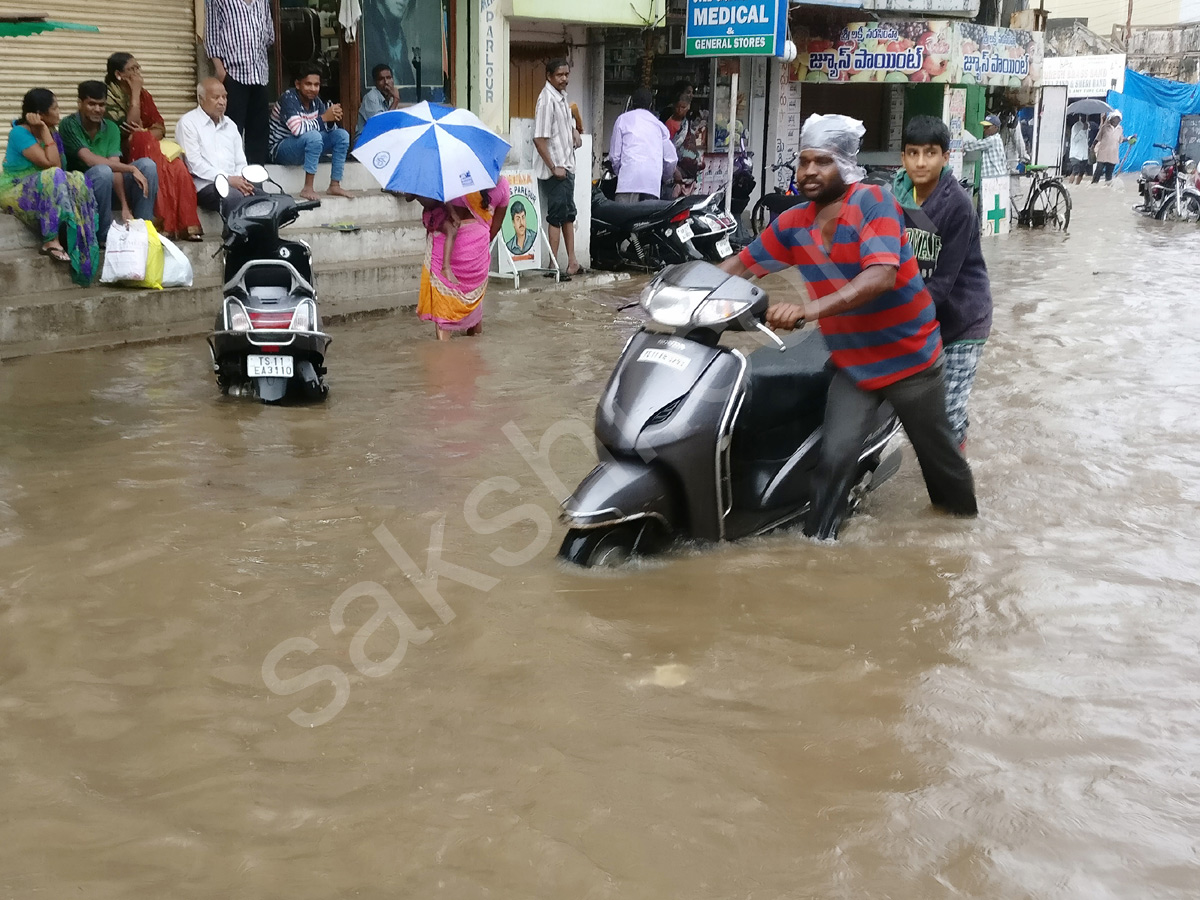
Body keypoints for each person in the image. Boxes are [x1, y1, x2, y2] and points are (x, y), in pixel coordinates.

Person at [719, 113, 977, 540]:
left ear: (845, 164)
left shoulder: (875, 203)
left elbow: (880, 277)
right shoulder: (792, 224)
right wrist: (691, 292)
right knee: (834, 458)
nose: (809, 172)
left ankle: (963, 540)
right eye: (803, 162)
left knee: (942, 464)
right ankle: (819, 545)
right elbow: (739, 266)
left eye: (822, 161)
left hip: (911, 361)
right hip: (855, 366)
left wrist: (807, 310)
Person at [892, 116, 993, 450]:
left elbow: (942, 284)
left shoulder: (958, 206)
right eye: (913, 153)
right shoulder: (894, 198)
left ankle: (953, 489)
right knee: (918, 410)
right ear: (903, 157)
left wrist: (892, 317)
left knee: (946, 417)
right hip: (920, 317)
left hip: (962, 320)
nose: (921, 162)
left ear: (946, 157)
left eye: (930, 153)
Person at [1, 89, 99, 285]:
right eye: (54, 108)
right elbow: (52, 166)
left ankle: (82, 238)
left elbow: (60, 168)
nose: (58, 112)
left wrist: (48, 133)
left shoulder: (54, 133)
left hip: (42, 184)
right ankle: (50, 241)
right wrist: (45, 132)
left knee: (77, 178)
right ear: (40, 114)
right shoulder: (19, 133)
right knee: (52, 176)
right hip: (15, 188)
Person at [105, 52, 203, 241]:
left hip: (149, 150)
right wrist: (134, 94)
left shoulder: (145, 95)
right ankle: (161, 222)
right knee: (142, 139)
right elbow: (128, 129)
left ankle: (186, 226)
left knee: (178, 168)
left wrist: (145, 133)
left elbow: (160, 127)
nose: (137, 73)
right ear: (118, 74)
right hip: (123, 156)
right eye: (131, 69)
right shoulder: (109, 96)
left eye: (137, 68)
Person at [410, 177, 510, 340]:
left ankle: (443, 355)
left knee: (444, 314)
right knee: (474, 312)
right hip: (478, 251)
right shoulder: (503, 185)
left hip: (446, 250)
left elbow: (431, 203)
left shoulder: (451, 177)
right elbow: (495, 228)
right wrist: (475, 242)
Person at [59, 80, 158, 240]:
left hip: (108, 186)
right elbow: (89, 159)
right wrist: (131, 168)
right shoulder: (69, 125)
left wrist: (125, 207)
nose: (98, 109)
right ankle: (103, 235)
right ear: (79, 103)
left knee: (148, 165)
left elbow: (116, 167)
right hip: (80, 189)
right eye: (92, 104)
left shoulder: (111, 127)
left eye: (102, 105)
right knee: (103, 171)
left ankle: (144, 231)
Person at [205, 0, 274, 164]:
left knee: (258, 134)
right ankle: (231, 183)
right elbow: (212, 36)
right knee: (229, 131)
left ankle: (256, 184)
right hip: (234, 75)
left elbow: (269, 34)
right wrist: (221, 72)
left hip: (260, 75)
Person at [268, 64, 351, 202]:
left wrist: (331, 120)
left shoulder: (316, 102)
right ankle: (308, 188)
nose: (313, 89)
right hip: (280, 149)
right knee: (314, 136)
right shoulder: (288, 99)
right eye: (308, 84)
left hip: (304, 147)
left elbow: (325, 128)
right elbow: (297, 129)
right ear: (298, 84)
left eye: (316, 85)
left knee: (341, 135)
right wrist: (324, 118)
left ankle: (334, 185)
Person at [533, 58, 582, 279]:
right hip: (556, 169)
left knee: (568, 215)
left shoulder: (560, 97)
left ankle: (572, 261)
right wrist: (554, 167)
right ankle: (553, 264)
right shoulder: (546, 100)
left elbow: (562, 123)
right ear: (549, 76)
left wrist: (573, 130)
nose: (564, 79)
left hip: (566, 164)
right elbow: (539, 139)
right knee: (556, 216)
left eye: (566, 75)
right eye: (560, 75)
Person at [176, 78, 254, 211]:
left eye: (224, 97)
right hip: (206, 185)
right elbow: (195, 165)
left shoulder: (230, 125)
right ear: (201, 99)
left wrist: (240, 180)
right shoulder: (188, 123)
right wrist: (228, 179)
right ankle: (233, 232)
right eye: (216, 98)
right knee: (234, 198)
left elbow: (240, 161)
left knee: (264, 200)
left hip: (233, 183)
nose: (222, 102)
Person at [609, 87, 676, 203]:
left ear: (632, 103)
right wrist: (663, 177)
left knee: (624, 219)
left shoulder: (622, 120)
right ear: (651, 105)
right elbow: (671, 160)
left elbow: (614, 157)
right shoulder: (659, 126)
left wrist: (623, 173)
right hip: (651, 186)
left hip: (627, 185)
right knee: (648, 220)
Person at [662, 90, 704, 199]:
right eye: (678, 107)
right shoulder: (670, 123)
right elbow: (667, 147)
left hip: (689, 172)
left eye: (683, 107)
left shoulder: (687, 123)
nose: (680, 110)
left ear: (688, 107)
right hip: (676, 171)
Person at [357, 63, 404, 135]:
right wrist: (396, 100)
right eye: (381, 79)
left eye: (388, 78)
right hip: (366, 141)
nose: (386, 82)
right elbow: (380, 127)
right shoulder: (371, 97)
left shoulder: (391, 97)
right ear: (375, 83)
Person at [960, 114, 1008, 180]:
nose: (984, 129)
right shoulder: (997, 139)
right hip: (996, 176)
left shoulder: (992, 140)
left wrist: (959, 144)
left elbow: (974, 145)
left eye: (987, 127)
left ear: (995, 127)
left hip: (993, 177)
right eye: (984, 127)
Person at [1092, 112, 1127, 184]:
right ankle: (1093, 185)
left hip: (1113, 154)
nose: (1116, 121)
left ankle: (1107, 188)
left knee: (1109, 174)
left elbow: (1121, 140)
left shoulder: (1120, 129)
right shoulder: (1104, 127)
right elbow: (1097, 138)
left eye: (1118, 119)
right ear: (1111, 119)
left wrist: (1129, 138)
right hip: (1103, 153)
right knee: (1098, 171)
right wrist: (1092, 147)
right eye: (1114, 119)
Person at [1067, 115, 1089, 185]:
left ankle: (1077, 186)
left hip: (1084, 154)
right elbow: (1075, 139)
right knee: (1075, 171)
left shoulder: (1087, 125)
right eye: (1083, 116)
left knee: (1082, 172)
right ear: (1080, 116)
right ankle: (1069, 186)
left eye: (1085, 116)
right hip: (1076, 154)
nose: (1084, 118)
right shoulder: (1076, 126)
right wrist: (1083, 130)